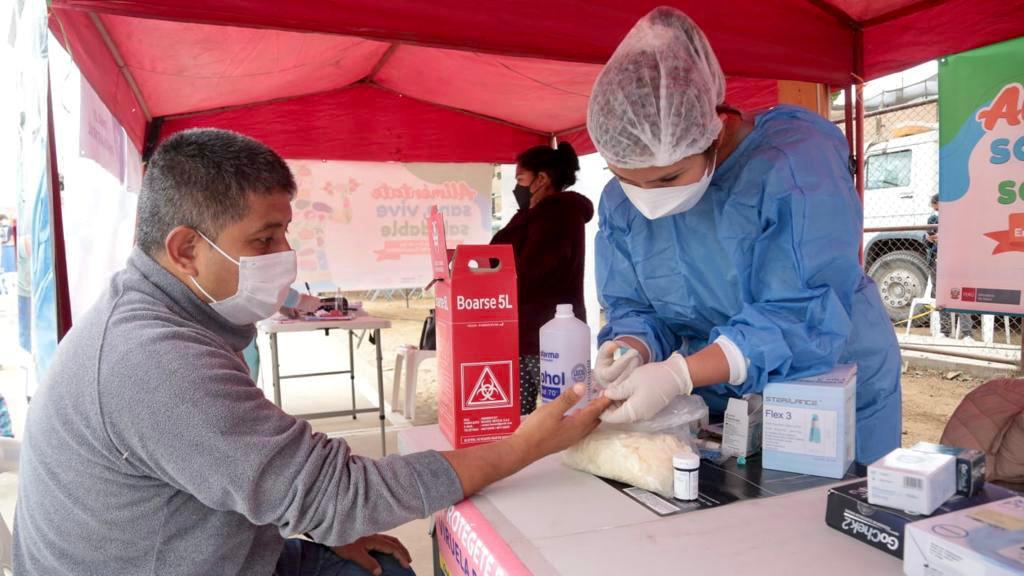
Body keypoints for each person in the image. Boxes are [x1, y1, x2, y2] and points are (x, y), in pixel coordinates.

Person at [13, 128, 610, 575]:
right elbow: (342, 494)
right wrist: (525, 446)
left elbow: (273, 481)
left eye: (284, 231)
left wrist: (314, 533)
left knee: (378, 561)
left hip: (223, 551)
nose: (286, 253)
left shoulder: (154, 315)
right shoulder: (152, 360)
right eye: (265, 238)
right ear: (186, 250)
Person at [587, 7, 901, 465]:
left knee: (831, 517)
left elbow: (802, 314)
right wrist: (632, 347)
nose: (646, 198)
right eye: (625, 178)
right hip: (717, 394)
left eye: (668, 178)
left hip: (824, 382)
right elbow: (638, 307)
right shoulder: (622, 202)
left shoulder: (793, 167)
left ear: (713, 132)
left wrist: (678, 374)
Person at [491, 143, 594, 414]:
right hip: (525, 331)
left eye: (520, 180)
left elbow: (532, 271)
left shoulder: (557, 214)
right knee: (518, 417)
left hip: (548, 335)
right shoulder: (534, 214)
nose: (517, 188)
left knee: (561, 413)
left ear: (541, 179)